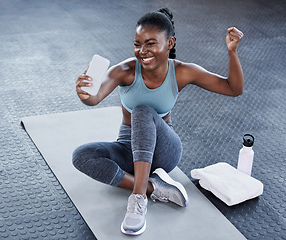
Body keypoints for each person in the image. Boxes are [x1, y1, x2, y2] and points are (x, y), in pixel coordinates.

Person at [73, 8, 244, 236]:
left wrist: (232, 52)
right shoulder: (124, 71)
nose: (142, 52)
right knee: (81, 156)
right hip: (128, 149)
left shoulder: (182, 72)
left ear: (170, 42)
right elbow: (94, 99)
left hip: (164, 153)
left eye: (151, 44)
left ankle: (138, 198)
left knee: (142, 111)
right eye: (137, 44)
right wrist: (84, 94)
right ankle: (156, 188)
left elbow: (233, 89)